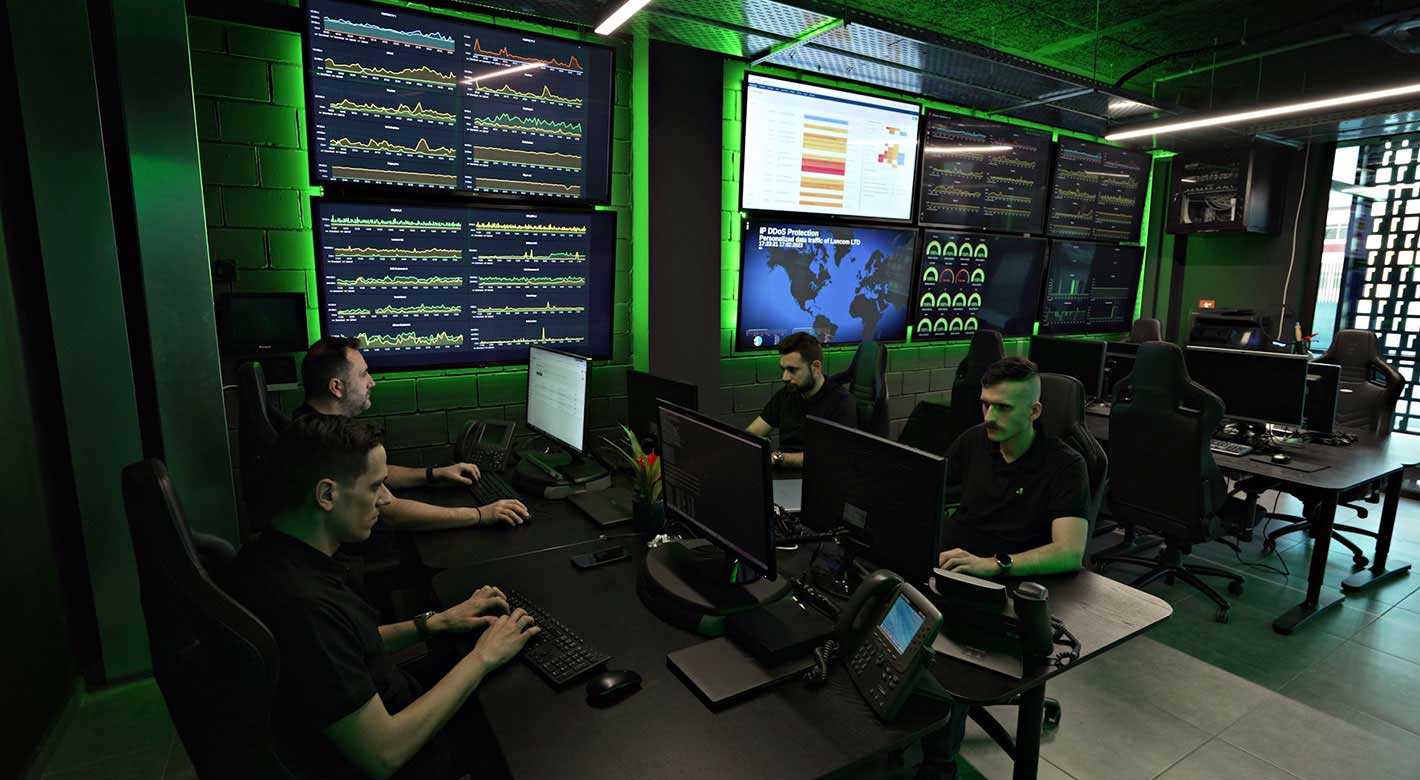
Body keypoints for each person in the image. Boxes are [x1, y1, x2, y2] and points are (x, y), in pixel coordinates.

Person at [228, 415, 539, 779]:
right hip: (412, 754)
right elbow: (384, 753)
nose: (386, 499)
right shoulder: (304, 606)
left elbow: (346, 645)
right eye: (375, 486)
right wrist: (483, 657)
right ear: (327, 495)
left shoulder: (274, 555)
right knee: (529, 715)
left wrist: (431, 624)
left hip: (391, 696)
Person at [917, 356, 1089, 780]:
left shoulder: (1065, 465)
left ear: (1034, 411)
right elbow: (928, 490)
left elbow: (1069, 551)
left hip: (1006, 590)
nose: (990, 416)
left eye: (1004, 407)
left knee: (945, 658)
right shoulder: (974, 441)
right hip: (950, 567)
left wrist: (996, 565)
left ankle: (938, 768)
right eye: (986, 404)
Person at [296, 337, 528, 530]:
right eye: (363, 374)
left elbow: (372, 474)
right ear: (337, 387)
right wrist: (480, 514)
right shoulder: (329, 444)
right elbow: (391, 511)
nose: (371, 382)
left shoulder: (306, 424)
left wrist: (434, 473)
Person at [745, 332, 856, 468]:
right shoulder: (788, 393)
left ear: (816, 367)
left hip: (817, 474)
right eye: (783, 369)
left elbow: (837, 456)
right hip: (782, 471)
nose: (784, 377)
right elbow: (752, 433)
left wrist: (779, 458)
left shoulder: (841, 402)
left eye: (792, 370)